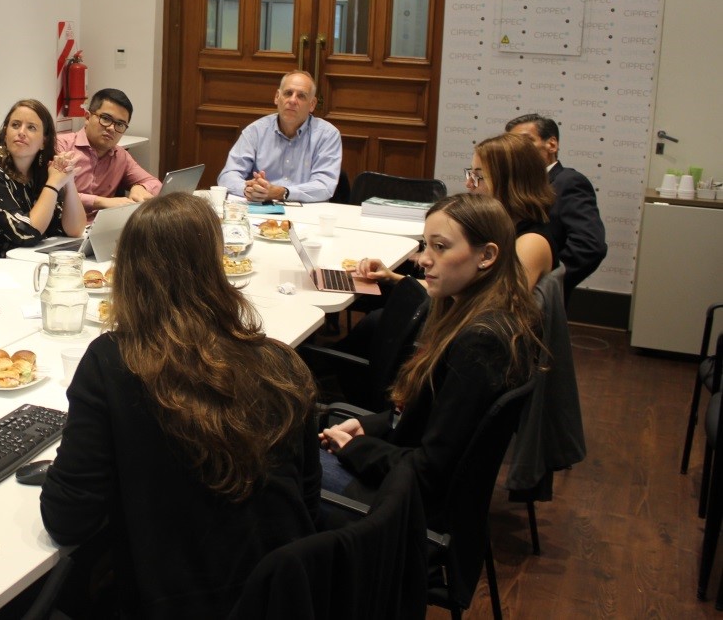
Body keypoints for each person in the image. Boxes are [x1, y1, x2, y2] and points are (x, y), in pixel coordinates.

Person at [40, 193, 320, 618]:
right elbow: (307, 500)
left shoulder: (113, 362)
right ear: (216, 266)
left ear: (128, 272)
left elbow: (67, 520)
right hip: (283, 596)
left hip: (167, 601)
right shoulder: (284, 364)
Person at [320, 193, 542, 523]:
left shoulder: (480, 342)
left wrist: (355, 449)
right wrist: (368, 426)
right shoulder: (476, 314)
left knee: (275, 471)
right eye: (425, 246)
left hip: (406, 507)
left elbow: (431, 469)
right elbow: (425, 417)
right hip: (405, 481)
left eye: (440, 247)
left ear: (487, 255)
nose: (423, 259)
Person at [0, 99, 86, 259]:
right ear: (5, 134)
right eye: (15, 125)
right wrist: (53, 184)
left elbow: (75, 230)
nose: (21, 132)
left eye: (31, 127)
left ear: (43, 141)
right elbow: (26, 234)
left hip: (27, 264)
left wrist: (68, 179)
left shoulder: (42, 174)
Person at [505, 113, 607, 300]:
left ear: (551, 144)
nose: (517, 151)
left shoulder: (569, 182)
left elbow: (590, 246)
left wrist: (548, 282)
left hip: (537, 299)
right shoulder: (516, 185)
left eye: (526, 142)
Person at [217, 70, 342, 203]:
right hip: (260, 211)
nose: (293, 100)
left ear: (312, 105)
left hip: (308, 213)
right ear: (277, 97)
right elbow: (227, 175)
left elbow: (324, 186)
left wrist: (282, 192)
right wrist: (249, 189)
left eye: (301, 96)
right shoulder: (255, 131)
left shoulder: (327, 135)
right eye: (288, 93)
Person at [464, 133, 559, 290]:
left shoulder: (532, 243)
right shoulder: (502, 225)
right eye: (470, 174)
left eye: (478, 176)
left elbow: (500, 301)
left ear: (511, 182)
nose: (469, 183)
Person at [55, 88, 161, 218]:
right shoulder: (62, 146)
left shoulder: (121, 156)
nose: (111, 128)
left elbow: (155, 183)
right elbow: (55, 193)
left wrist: (140, 187)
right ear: (87, 117)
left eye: (120, 124)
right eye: (105, 118)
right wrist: (102, 202)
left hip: (101, 228)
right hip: (61, 229)